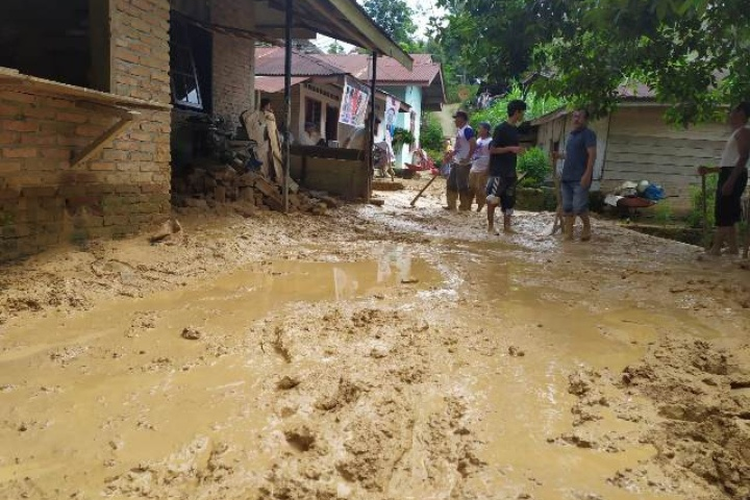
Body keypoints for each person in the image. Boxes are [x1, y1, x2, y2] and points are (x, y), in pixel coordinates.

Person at [698, 101, 750, 256]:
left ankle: (715, 249)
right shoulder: (738, 132)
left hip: (734, 175)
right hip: (730, 172)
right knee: (730, 211)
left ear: (741, 113)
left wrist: (730, 181)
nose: (730, 114)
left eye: (733, 111)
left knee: (723, 211)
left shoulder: (743, 132)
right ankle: (733, 248)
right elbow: (729, 162)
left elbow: (744, 157)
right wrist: (710, 170)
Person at [552, 109, 597, 241]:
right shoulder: (571, 135)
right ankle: (569, 233)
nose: (576, 119)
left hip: (580, 177)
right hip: (567, 177)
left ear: (586, 119)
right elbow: (571, 155)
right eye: (574, 117)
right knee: (567, 207)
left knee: (579, 206)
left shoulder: (588, 134)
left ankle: (587, 227)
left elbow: (592, 155)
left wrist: (587, 174)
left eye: (579, 117)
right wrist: (559, 156)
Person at [487, 99, 527, 234]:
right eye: (523, 112)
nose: (523, 116)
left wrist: (516, 150)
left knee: (509, 199)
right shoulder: (501, 128)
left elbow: (512, 149)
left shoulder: (515, 130)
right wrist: (511, 148)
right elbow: (492, 150)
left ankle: (507, 227)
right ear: (517, 112)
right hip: (499, 171)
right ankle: (491, 226)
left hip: (510, 170)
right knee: (493, 198)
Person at [444, 110, 476, 211]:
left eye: (456, 118)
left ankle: (464, 207)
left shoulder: (468, 130)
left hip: (464, 163)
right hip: (457, 161)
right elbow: (458, 147)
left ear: (461, 119)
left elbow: (473, 144)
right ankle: (451, 205)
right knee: (451, 183)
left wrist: (468, 158)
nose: (455, 121)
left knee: (462, 184)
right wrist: (451, 155)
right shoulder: (460, 130)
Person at [469, 122, 492, 212]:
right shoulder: (478, 140)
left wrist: (488, 169)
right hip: (474, 167)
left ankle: (480, 206)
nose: (479, 130)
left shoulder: (490, 141)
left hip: (483, 168)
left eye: (481, 128)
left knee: (480, 189)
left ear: (486, 130)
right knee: (471, 187)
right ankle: (468, 205)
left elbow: (492, 156)